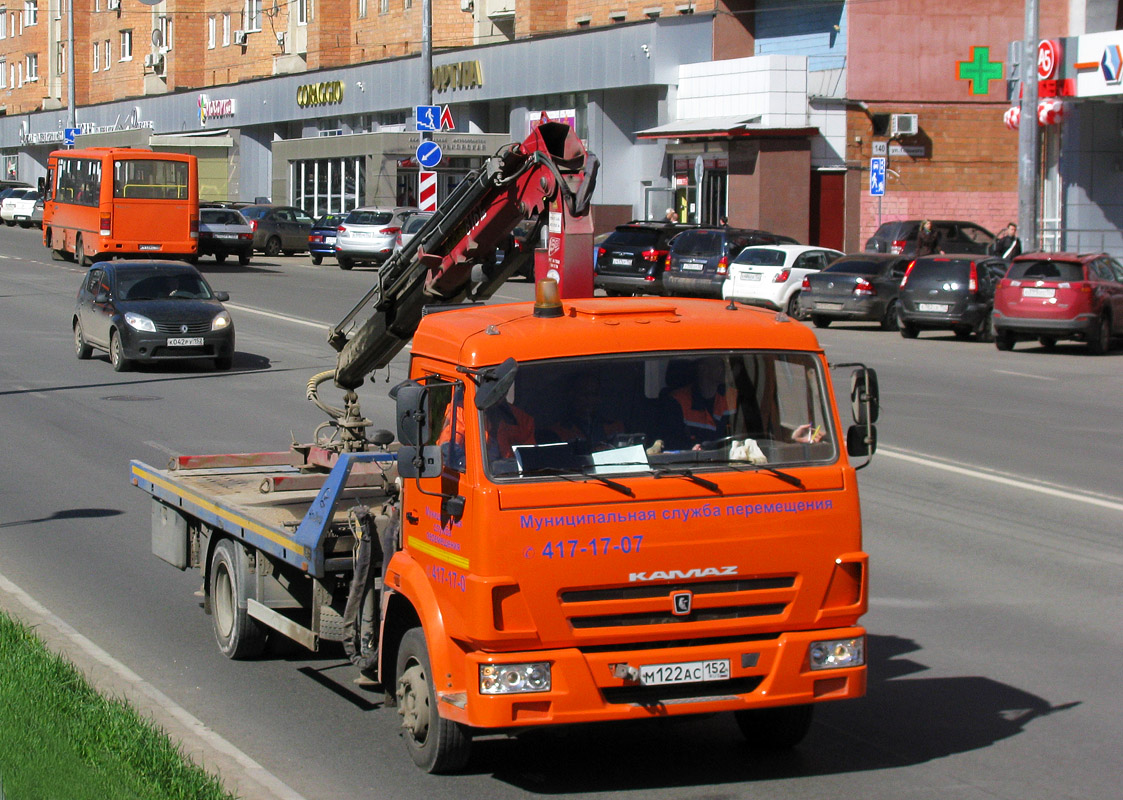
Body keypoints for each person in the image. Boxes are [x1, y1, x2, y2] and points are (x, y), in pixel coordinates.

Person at [670, 357, 738, 449]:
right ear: (703, 369)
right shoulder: (678, 400)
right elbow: (671, 442)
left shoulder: (732, 396)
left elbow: (747, 435)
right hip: (692, 461)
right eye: (719, 365)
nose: (724, 369)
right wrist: (690, 448)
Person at [543, 373, 624, 450]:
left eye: (594, 394)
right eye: (584, 394)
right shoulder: (557, 432)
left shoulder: (616, 428)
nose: (589, 399)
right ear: (572, 395)